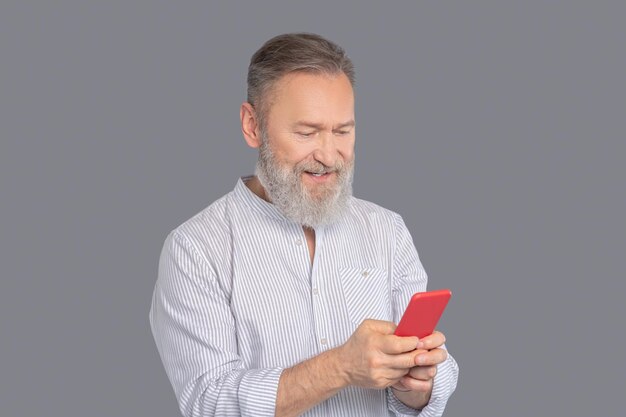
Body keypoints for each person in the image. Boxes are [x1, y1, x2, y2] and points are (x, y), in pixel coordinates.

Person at [149, 32, 458, 417]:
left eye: (342, 131)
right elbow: (210, 402)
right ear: (252, 126)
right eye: (307, 132)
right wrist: (341, 367)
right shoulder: (195, 250)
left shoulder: (387, 231)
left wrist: (418, 384)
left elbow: (432, 385)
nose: (329, 155)